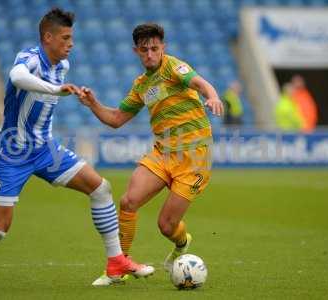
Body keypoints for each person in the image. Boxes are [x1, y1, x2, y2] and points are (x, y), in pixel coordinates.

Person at [0, 8, 153, 290]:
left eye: (72, 38)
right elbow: (17, 77)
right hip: (13, 152)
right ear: (48, 37)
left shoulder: (62, 67)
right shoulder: (29, 59)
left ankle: (116, 261)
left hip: (46, 150)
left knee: (100, 188)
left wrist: (79, 96)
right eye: (66, 38)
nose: (71, 44)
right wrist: (54, 90)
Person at [77, 23, 224, 286]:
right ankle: (118, 267)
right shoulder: (141, 85)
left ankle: (182, 242)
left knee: (166, 226)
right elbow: (117, 119)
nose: (150, 54)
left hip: (194, 158)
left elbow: (200, 83)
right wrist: (93, 104)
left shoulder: (174, 67)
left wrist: (212, 96)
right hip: (163, 153)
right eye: (144, 50)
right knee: (128, 202)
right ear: (136, 51)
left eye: (154, 48)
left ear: (163, 48)